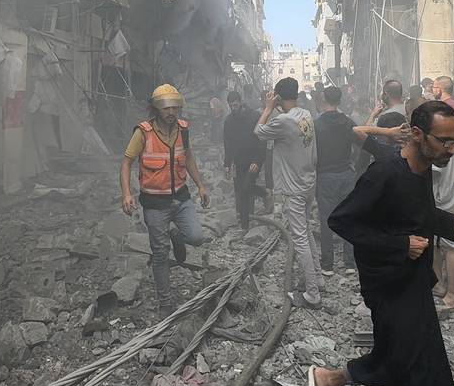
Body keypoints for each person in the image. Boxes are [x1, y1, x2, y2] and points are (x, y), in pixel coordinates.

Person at [308, 101, 454, 386]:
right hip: (387, 285)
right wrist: (399, 245)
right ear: (417, 134)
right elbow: (342, 222)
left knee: (422, 353)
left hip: (414, 280)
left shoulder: (423, 167)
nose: (452, 150)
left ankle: (334, 380)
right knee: (402, 358)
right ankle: (331, 379)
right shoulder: (385, 172)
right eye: (445, 141)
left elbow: (419, 214)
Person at [120, 84, 211, 315]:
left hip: (180, 198)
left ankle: (176, 236)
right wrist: (127, 193)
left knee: (197, 237)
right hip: (154, 204)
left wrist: (200, 185)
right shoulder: (143, 132)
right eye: (166, 108)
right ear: (156, 108)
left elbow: (188, 157)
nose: (171, 112)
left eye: (175, 108)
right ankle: (165, 302)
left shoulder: (183, 129)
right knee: (160, 254)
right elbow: (126, 162)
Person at [256, 77, 322, 309]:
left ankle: (312, 294)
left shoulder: (283, 120)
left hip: (293, 187)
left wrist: (267, 108)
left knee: (300, 238)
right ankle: (318, 279)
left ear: (279, 97)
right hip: (307, 182)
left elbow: (259, 131)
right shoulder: (305, 114)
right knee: (307, 231)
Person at [430, 76, 454, 313]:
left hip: (444, 199)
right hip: (440, 198)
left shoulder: (442, 147)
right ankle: (439, 284)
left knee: (449, 246)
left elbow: (432, 172)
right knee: (436, 243)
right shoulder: (448, 141)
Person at [313, 86, 358, 276]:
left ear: (323, 99)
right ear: (340, 100)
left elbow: (312, 152)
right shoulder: (348, 122)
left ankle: (328, 264)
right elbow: (358, 145)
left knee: (326, 220)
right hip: (346, 174)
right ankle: (349, 263)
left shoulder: (317, 124)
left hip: (325, 176)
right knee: (347, 218)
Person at [222, 91, 267, 231]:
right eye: (230, 106)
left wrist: (258, 161)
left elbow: (262, 140)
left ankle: (265, 195)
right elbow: (227, 144)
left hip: (253, 159)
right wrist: (227, 164)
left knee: (247, 188)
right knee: (242, 192)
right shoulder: (229, 121)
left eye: (235, 104)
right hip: (239, 161)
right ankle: (245, 223)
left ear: (240, 102)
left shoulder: (254, 116)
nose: (233, 108)